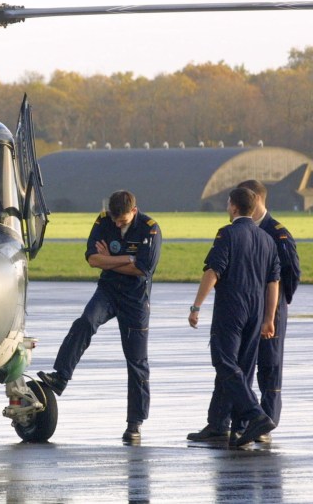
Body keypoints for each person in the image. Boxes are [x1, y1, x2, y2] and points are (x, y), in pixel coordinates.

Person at [38, 190, 162, 443]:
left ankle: (135, 424)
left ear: (134, 212)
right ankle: (60, 377)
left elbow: (143, 268)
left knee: (136, 362)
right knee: (85, 322)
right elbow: (92, 260)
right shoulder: (103, 221)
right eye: (115, 221)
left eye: (123, 221)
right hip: (108, 290)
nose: (117, 225)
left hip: (135, 299)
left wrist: (109, 259)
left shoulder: (150, 229)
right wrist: (125, 258)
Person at [187, 180, 300, 445]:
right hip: (259, 311)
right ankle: (235, 426)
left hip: (233, 308)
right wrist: (269, 316)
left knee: (227, 362)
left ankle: (256, 416)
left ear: (234, 206)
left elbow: (213, 270)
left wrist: (196, 306)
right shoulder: (266, 239)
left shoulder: (229, 233)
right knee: (244, 368)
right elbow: (275, 281)